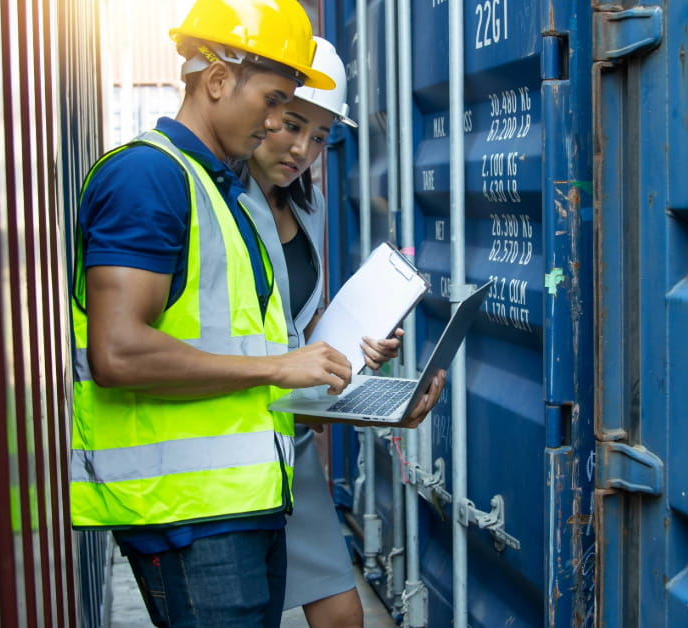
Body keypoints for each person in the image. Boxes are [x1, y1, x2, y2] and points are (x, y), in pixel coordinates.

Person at [68, 1, 444, 626]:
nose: (278, 127)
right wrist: (279, 366)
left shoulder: (222, 195)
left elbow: (257, 346)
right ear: (217, 80)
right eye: (275, 103)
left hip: (247, 493)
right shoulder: (147, 178)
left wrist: (365, 389)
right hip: (187, 512)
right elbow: (118, 354)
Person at [239, 37, 445, 627]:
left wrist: (356, 350)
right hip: (234, 442)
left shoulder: (310, 205)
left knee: (341, 614)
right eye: (292, 125)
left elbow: (299, 324)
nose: (303, 149)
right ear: (266, 108)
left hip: (290, 440)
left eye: (322, 137)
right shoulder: (220, 203)